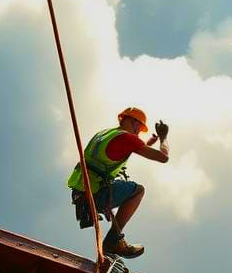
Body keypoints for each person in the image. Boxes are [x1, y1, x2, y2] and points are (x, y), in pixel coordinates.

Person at [68, 107, 170, 258]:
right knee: (138, 191)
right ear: (135, 123)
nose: (139, 133)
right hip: (96, 193)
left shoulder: (105, 134)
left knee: (121, 184)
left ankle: (111, 237)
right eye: (140, 129)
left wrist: (150, 142)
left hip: (81, 192)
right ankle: (113, 240)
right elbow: (163, 157)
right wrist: (163, 137)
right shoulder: (128, 138)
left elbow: (125, 149)